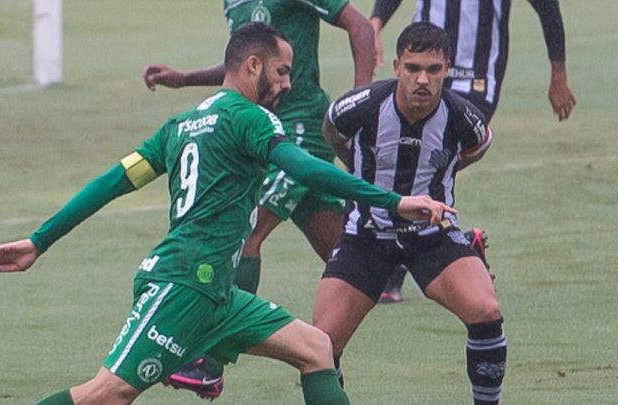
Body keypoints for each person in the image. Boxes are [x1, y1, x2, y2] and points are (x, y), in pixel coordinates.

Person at [0, 22, 454, 405]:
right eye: (283, 71)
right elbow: (306, 168)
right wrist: (393, 200)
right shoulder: (253, 119)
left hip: (219, 293)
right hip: (182, 285)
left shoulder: (178, 126)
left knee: (317, 349)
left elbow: (110, 183)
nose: (287, 84)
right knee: (105, 394)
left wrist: (40, 240)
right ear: (252, 66)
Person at [142, 0, 376, 396]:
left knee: (248, 232)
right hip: (259, 131)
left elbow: (361, 28)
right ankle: (437, 249)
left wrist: (359, 105)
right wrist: (185, 80)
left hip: (300, 126)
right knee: (353, 252)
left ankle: (210, 363)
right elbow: (246, 64)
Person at [313, 22, 506, 404]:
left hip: (432, 237)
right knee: (319, 346)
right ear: (397, 65)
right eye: (413, 68)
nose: (423, 79)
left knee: (486, 310)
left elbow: (479, 145)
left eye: (433, 70)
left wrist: (442, 174)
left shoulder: (461, 116)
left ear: (447, 69)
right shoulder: (362, 106)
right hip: (365, 235)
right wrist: (359, 170)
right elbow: (332, 130)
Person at [371, 0, 577, 303]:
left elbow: (546, 6)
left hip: (477, 79)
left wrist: (558, 73)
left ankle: (420, 257)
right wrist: (375, 23)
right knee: (410, 158)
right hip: (420, 71)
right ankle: (457, 249)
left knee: (432, 159)